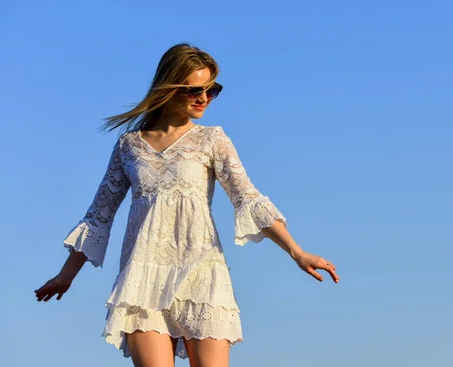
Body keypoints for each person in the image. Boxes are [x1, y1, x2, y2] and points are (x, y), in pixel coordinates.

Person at [34, 43, 340, 367]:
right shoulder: (129, 146)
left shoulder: (213, 140)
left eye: (211, 90)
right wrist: (66, 276)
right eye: (195, 90)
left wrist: (297, 251)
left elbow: (247, 198)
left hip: (202, 275)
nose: (204, 98)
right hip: (143, 281)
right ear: (168, 88)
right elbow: (99, 216)